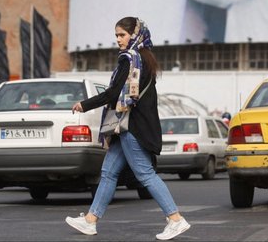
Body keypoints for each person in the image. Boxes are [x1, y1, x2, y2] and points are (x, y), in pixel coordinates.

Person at [65, 17, 190, 240]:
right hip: (128, 125)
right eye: (116, 35)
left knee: (145, 174)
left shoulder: (129, 59)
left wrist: (84, 104)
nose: (118, 40)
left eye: (122, 35)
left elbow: (113, 93)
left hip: (131, 126)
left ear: (134, 35)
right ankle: (91, 221)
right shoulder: (144, 59)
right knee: (108, 173)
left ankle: (175, 219)